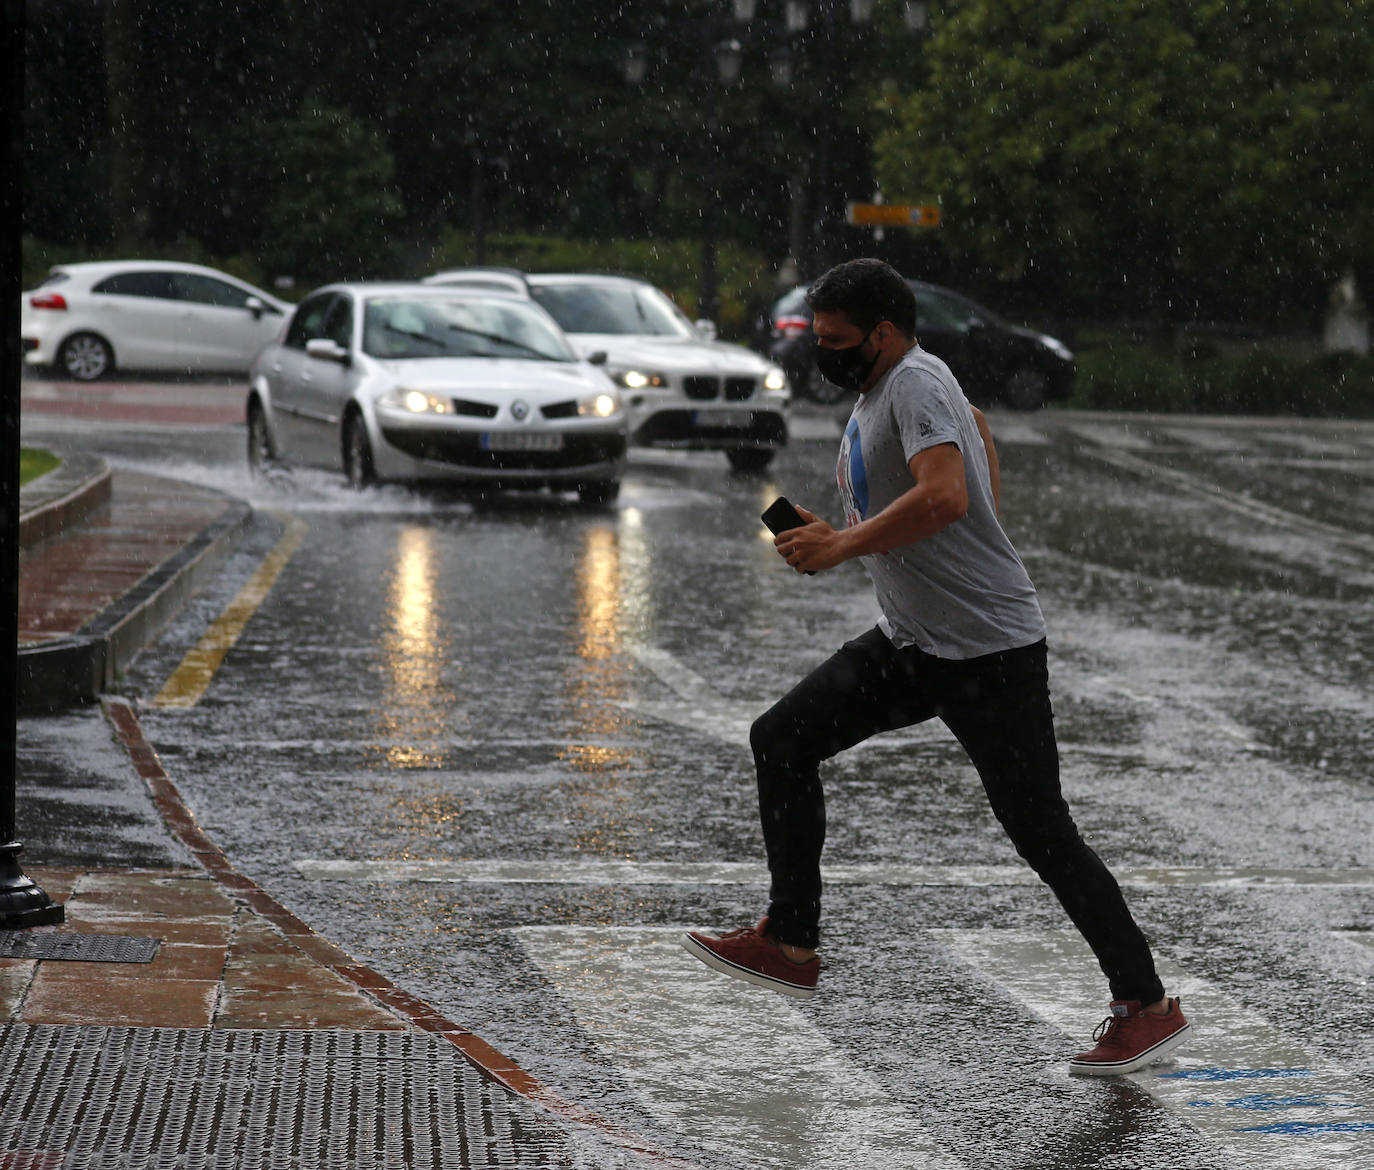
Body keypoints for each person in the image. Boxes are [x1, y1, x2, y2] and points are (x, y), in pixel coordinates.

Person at [683, 258, 1189, 1076]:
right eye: (820, 337)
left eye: (838, 339)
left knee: (1041, 831)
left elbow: (950, 495)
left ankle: (1147, 1004)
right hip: (916, 643)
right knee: (781, 739)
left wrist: (846, 544)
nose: (825, 351)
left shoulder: (914, 382)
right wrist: (838, 527)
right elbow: (976, 448)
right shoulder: (894, 387)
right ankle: (791, 940)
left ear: (882, 333)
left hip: (988, 654)